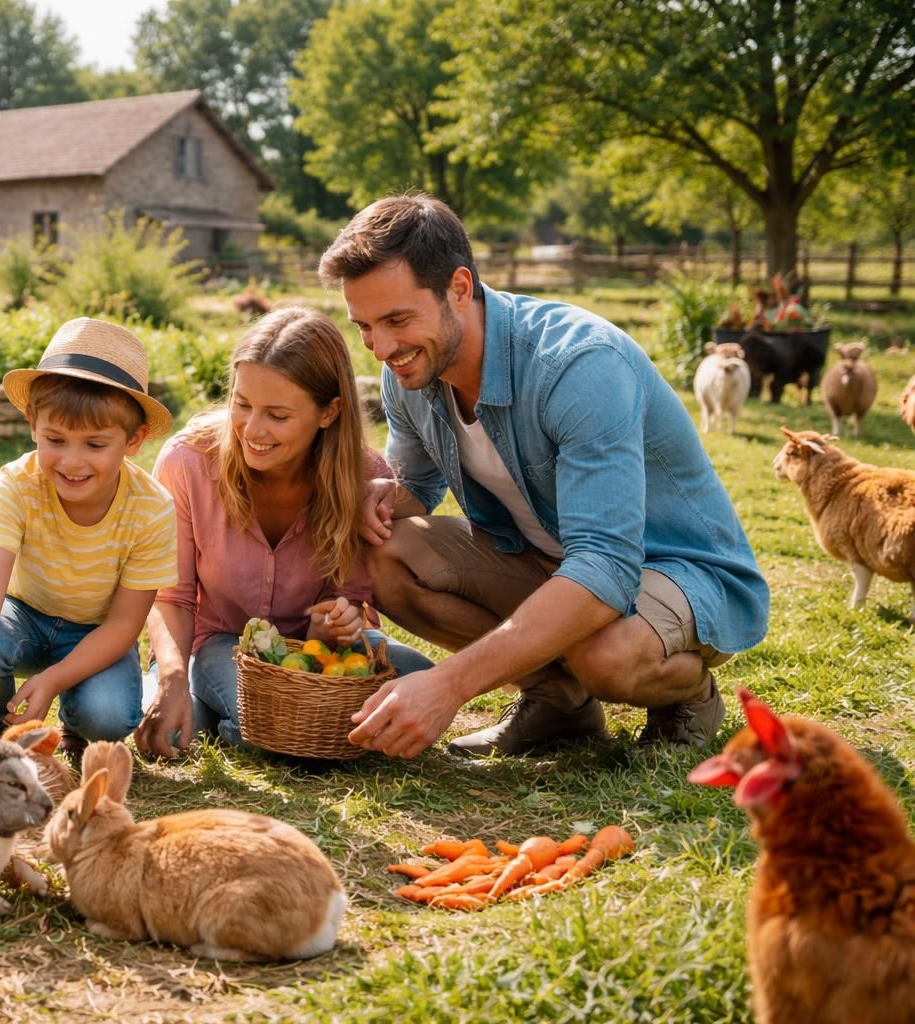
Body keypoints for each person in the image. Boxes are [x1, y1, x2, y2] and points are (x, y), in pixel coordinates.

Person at [326, 194, 769, 759]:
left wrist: (449, 685)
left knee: (603, 653)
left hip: (672, 567)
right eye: (363, 326)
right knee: (386, 552)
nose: (381, 347)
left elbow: (606, 566)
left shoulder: (579, 365)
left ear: (459, 288)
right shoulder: (411, 371)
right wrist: (383, 498)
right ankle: (557, 705)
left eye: (397, 320)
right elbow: (418, 488)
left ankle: (690, 695)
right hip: (555, 560)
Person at [135, 306, 433, 758]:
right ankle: (211, 703)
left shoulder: (361, 476)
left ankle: (231, 720)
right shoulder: (189, 462)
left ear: (329, 412)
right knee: (281, 720)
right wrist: (172, 676)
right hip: (216, 642)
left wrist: (335, 621)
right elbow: (170, 597)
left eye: (277, 415)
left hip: (312, 652)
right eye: (242, 404)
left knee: (420, 678)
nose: (253, 430)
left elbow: (350, 598)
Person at [0, 318, 179, 760]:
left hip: (98, 630)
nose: (72, 462)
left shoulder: (152, 507)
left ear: (133, 440)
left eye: (96, 445)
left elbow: (123, 624)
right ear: (32, 425)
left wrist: (55, 679)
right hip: (23, 615)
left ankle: (77, 728)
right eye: (55, 440)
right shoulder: (16, 483)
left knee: (109, 715)